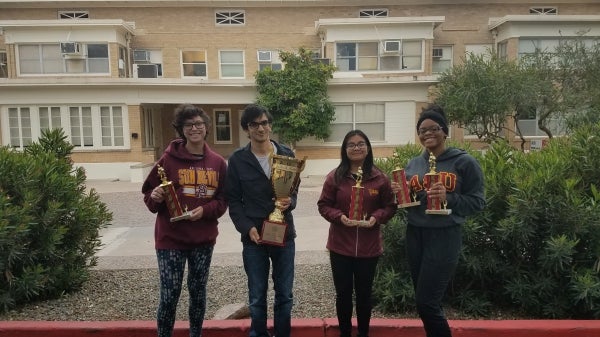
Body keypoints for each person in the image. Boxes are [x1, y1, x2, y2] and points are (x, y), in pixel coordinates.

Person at [392, 104, 485, 337]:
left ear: (444, 130)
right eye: (422, 130)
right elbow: (413, 201)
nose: (427, 134)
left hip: (444, 236)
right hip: (415, 234)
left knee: (427, 303)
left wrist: (449, 198)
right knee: (425, 301)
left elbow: (477, 202)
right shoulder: (414, 163)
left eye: (433, 128)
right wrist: (400, 194)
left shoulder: (464, 162)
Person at [142, 104, 228, 337]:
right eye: (188, 125)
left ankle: (195, 334)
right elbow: (150, 198)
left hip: (203, 239)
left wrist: (205, 211)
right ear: (181, 129)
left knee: (198, 293)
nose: (194, 128)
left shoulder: (218, 163)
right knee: (169, 295)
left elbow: (222, 201)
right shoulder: (167, 160)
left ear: (207, 127)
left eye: (199, 124)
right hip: (171, 239)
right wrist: (156, 195)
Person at [225, 104, 298, 337]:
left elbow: (293, 190)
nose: (261, 128)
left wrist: (290, 202)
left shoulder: (286, 153)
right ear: (247, 129)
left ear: (270, 125)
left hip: (284, 233)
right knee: (257, 296)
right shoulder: (237, 160)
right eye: (254, 124)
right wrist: (247, 228)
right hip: (254, 237)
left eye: (264, 122)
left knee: (284, 294)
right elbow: (234, 201)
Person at [317, 130, 397, 337]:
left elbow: (390, 206)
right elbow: (324, 205)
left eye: (361, 143)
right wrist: (339, 217)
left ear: (368, 148)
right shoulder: (335, 177)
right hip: (340, 246)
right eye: (351, 145)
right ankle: (345, 332)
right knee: (343, 294)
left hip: (368, 248)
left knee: (364, 295)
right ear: (344, 150)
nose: (356, 148)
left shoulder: (380, 178)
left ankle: (363, 333)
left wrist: (376, 218)